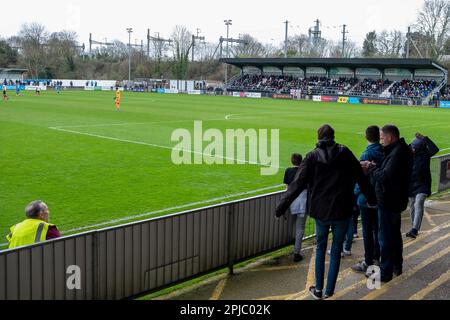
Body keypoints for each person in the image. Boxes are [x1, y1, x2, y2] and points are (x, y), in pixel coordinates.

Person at [276, 125, 377, 300]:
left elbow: (297, 184)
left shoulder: (312, 156)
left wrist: (281, 207)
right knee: (336, 250)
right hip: (342, 209)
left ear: (319, 137)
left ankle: (318, 290)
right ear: (333, 136)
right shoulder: (345, 152)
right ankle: (329, 291)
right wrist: (371, 198)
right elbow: (361, 177)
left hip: (321, 211)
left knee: (321, 248)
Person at [364, 125, 413, 283]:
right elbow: (388, 172)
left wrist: (371, 167)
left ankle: (385, 272)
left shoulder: (397, 153)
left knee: (385, 237)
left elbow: (385, 176)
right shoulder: (399, 150)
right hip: (395, 200)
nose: (381, 140)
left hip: (389, 201)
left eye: (382, 137)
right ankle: (396, 266)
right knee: (394, 235)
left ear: (390, 137)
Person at [352, 126, 384, 274]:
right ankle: (377, 258)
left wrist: (356, 194)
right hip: (380, 197)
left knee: (367, 231)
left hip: (366, 199)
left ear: (366, 136)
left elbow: (361, 179)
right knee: (377, 230)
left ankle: (368, 261)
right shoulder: (384, 151)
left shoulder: (367, 154)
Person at [407, 133, 439, 239]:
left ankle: (415, 229)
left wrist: (425, 138)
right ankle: (413, 226)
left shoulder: (425, 155)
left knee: (419, 202)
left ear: (420, 148)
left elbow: (435, 149)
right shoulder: (408, 153)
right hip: (411, 184)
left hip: (423, 184)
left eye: (415, 147)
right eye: (412, 147)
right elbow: (401, 147)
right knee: (412, 205)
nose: (413, 149)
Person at [283, 153, 308, 263]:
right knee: (300, 228)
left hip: (291, 202)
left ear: (292, 161)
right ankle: (296, 252)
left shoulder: (288, 171)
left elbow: (287, 189)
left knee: (293, 226)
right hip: (303, 202)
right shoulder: (305, 171)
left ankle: (292, 247)